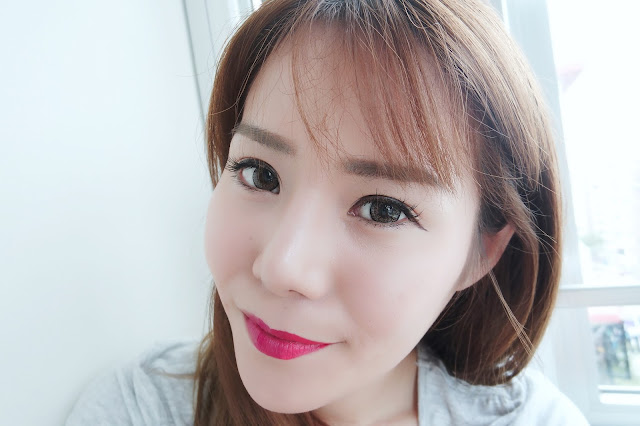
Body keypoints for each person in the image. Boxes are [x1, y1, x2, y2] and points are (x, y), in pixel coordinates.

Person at [66, 0, 590, 424]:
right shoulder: (140, 408)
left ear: (481, 252)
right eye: (259, 174)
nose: (282, 267)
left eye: (383, 209)